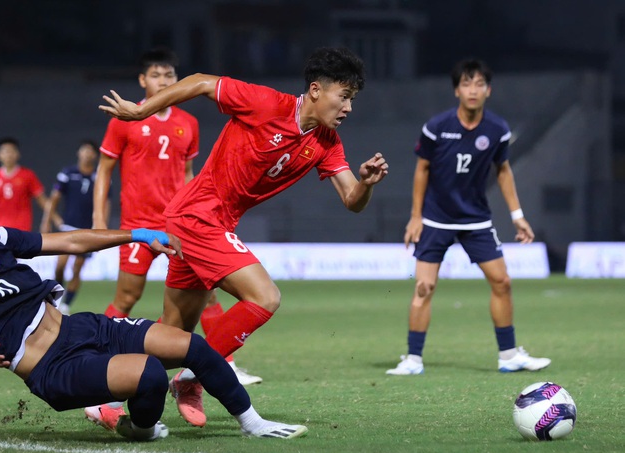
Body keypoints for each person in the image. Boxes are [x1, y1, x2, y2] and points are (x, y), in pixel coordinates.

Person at [99, 46, 389, 427]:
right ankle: (193, 378)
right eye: (345, 96)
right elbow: (203, 82)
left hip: (209, 222)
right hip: (197, 216)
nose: (349, 107)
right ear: (317, 90)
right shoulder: (267, 104)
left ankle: (102, 392)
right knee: (266, 296)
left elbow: (352, 200)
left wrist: (366, 183)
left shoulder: (327, 143)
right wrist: (142, 110)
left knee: (172, 335)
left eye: (352, 98)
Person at [0, 190, 308, 441]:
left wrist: (137, 234)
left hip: (81, 327)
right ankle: (141, 430)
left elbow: (72, 241)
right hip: (53, 368)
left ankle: (253, 423)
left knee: (193, 347)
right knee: (150, 375)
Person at [92, 46, 261, 403]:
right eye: (156, 75)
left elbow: (188, 175)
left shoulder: (189, 124)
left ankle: (223, 361)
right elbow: (104, 170)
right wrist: (98, 219)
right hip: (137, 224)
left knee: (208, 291)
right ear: (142, 80)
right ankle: (98, 359)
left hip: (179, 224)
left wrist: (201, 216)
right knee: (127, 297)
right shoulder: (125, 119)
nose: (163, 81)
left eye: (169, 76)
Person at [385, 58, 551, 376]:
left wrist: (518, 216)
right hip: (435, 219)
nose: (472, 90)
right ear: (456, 91)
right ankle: (413, 359)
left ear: (488, 91)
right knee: (423, 287)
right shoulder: (437, 127)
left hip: (476, 220)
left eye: (478, 84)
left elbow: (503, 170)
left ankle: (509, 355)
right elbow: (422, 170)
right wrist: (415, 216)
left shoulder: (498, 130)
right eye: (466, 84)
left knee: (502, 281)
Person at [40, 140, 107, 315]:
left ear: (95, 155)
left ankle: (66, 306)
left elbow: (106, 202)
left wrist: (102, 225)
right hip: (68, 227)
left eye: (90, 151)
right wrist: (48, 219)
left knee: (77, 268)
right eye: (84, 150)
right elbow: (54, 198)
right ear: (79, 153)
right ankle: (56, 297)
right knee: (60, 265)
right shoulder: (68, 173)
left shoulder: (100, 176)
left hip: (88, 229)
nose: (87, 154)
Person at [0, 137, 51, 231]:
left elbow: (42, 200)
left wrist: (53, 219)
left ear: (18, 154)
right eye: (5, 151)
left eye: (12, 151)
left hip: (22, 228)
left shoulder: (27, 175)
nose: (8, 154)